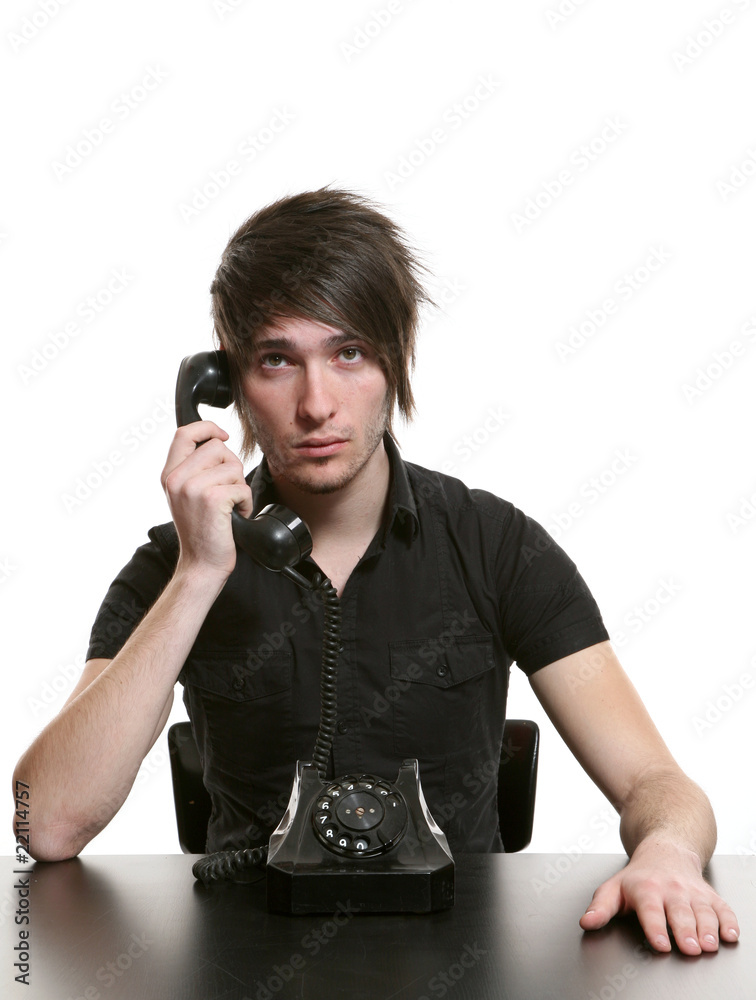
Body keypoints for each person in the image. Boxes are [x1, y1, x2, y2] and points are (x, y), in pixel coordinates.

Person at [13, 188, 739, 956]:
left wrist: (666, 852)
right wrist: (199, 574)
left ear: (396, 357)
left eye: (348, 352)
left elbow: (658, 785)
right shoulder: (171, 566)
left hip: (461, 962)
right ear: (222, 386)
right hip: (242, 962)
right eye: (276, 361)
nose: (317, 403)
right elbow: (45, 821)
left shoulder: (498, 546)